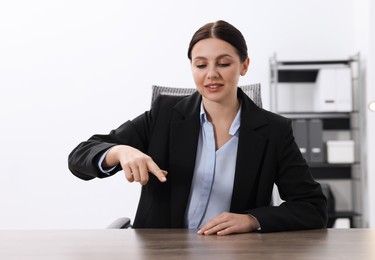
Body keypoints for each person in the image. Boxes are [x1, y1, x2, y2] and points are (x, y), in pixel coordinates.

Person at [68, 20, 327, 235]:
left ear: (244, 66)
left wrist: (252, 219)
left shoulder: (273, 130)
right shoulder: (164, 115)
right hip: (163, 252)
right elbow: (79, 156)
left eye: (224, 64)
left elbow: (313, 207)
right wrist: (121, 151)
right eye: (201, 65)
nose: (211, 74)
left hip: (235, 252)